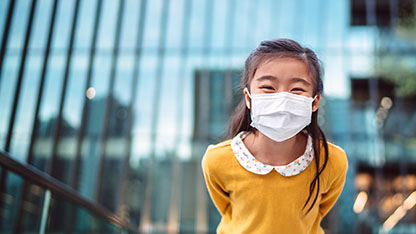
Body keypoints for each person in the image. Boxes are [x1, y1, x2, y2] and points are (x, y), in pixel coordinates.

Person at [201, 38, 348, 234]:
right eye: (268, 87)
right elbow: (228, 211)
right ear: (248, 98)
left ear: (315, 102)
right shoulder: (217, 160)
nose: (282, 99)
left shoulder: (332, 161)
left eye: (297, 89)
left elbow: (319, 213)